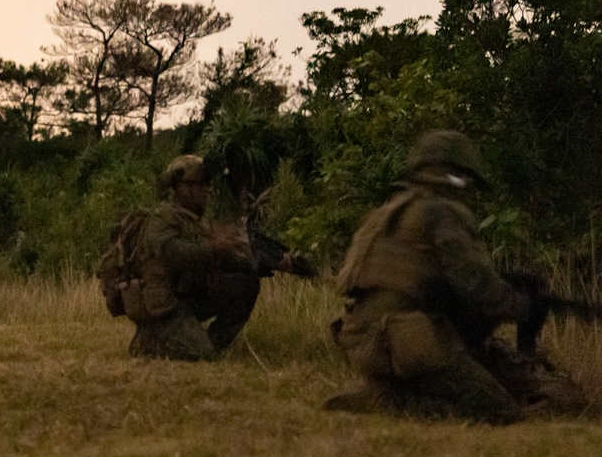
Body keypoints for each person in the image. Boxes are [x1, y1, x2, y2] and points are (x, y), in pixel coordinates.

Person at [326, 130, 587, 424]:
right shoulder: (442, 212)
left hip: (364, 339)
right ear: (454, 175)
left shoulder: (389, 212)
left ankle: (389, 388)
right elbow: (477, 287)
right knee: (499, 410)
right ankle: (388, 400)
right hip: (404, 341)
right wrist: (525, 307)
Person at [122, 154, 261, 361]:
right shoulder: (162, 218)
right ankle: (150, 340)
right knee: (202, 355)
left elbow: (221, 257)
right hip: (167, 307)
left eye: (207, 184)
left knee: (246, 282)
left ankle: (211, 343)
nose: (207, 189)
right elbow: (172, 254)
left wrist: (258, 259)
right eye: (200, 184)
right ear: (182, 187)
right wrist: (215, 248)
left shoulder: (198, 222)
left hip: (190, 298)